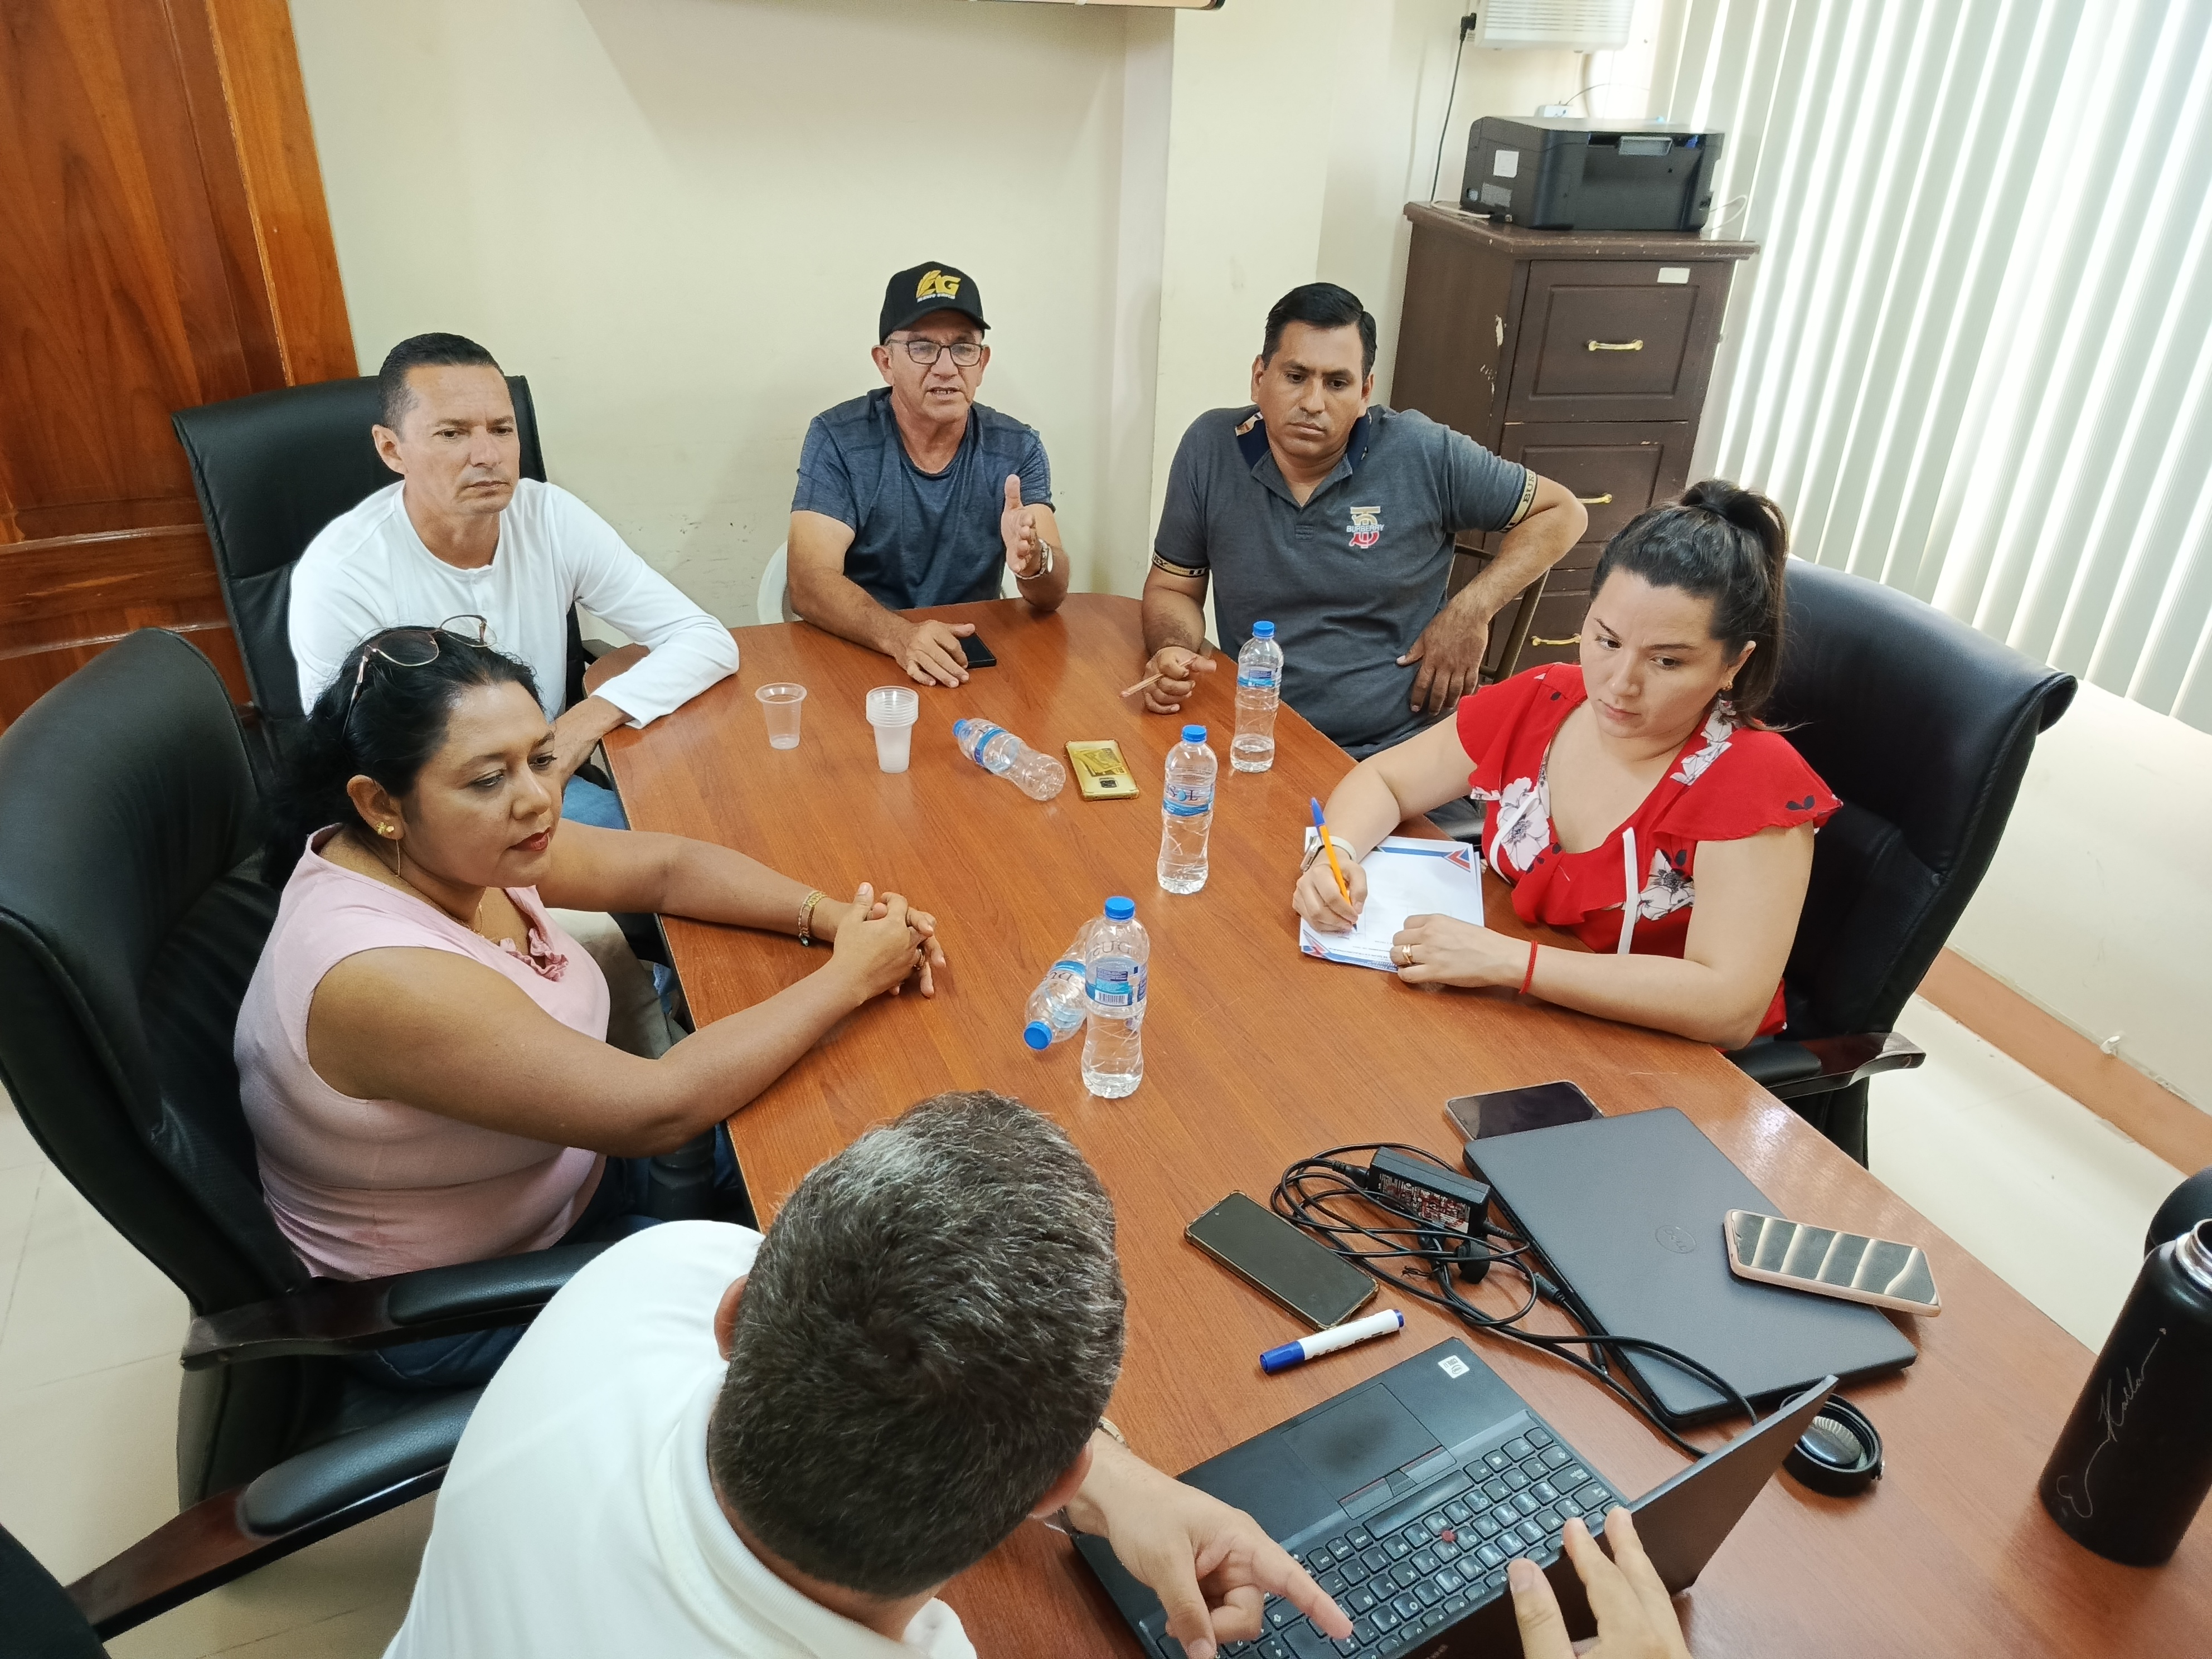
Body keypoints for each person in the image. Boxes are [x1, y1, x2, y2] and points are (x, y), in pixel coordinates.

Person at [382, 1091, 1699, 1659]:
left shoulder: (645, 1285)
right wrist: (1079, 1465)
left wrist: (1104, 1479)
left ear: (739, 1319)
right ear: (1053, 1482)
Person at [236, 624, 947, 1387]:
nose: (537, 800)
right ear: (380, 803)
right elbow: (660, 1108)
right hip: (466, 1299)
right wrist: (851, 977)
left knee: (862, 1163)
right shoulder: (377, 972)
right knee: (855, 1327)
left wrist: (833, 918)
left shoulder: (450, 848)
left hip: (575, 1179)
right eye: (489, 778)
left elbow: (666, 868)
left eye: (540, 759)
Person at [1293, 482, 1837, 1050]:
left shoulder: (1753, 780)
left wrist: (1513, 962)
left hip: (1652, 1061)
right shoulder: (1545, 698)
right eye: (1607, 641)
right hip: (1513, 1020)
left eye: (1666, 661)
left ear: (1733, 664)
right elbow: (1385, 779)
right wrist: (1335, 855)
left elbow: (1729, 1006)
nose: (1619, 685)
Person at [290, 332, 740, 832]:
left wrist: (580, 725)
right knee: (650, 859)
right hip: (424, 813)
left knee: (702, 825)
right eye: (452, 433)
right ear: (392, 449)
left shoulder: (550, 518)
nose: (487, 454)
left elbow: (706, 640)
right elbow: (347, 753)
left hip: (544, 781)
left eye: (502, 429)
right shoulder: (343, 572)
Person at [1137, 282, 1586, 758]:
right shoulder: (1210, 447)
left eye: (1337, 383)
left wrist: (1470, 611)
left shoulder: (1422, 451)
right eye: (1295, 376)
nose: (1313, 403)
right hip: (1255, 737)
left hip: (1404, 748)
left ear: (1365, 392)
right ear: (1259, 377)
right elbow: (1173, 588)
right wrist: (1172, 649)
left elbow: (1563, 512)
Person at [787, 261, 1069, 688]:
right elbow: (808, 582)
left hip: (965, 659)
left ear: (982, 363)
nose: (946, 368)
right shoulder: (839, 438)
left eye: (963, 348)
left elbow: (1053, 593)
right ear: (885, 362)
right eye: (922, 347)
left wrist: (1034, 562)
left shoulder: (1016, 447)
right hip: (865, 650)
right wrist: (899, 636)